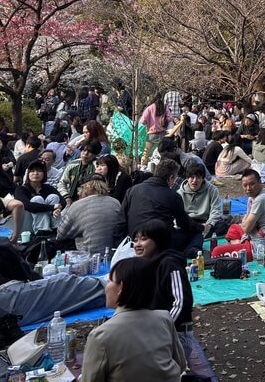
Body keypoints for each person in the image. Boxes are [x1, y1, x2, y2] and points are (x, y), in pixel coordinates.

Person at [0, 212, 105, 329]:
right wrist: (43, 283)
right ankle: (111, 287)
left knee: (62, 298)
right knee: (65, 283)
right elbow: (25, 274)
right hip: (2, 303)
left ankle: (106, 292)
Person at [81, 258, 186, 382]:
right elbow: (180, 364)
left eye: (109, 280)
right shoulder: (164, 318)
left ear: (121, 288)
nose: (106, 286)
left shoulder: (100, 336)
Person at [133, 219, 195, 357]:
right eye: (135, 240)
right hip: (156, 330)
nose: (137, 244)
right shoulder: (147, 264)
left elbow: (181, 302)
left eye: (143, 239)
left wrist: (160, 328)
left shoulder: (170, 263)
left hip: (175, 334)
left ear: (158, 240)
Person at [210, 170, 265, 260]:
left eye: (252, 184)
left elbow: (246, 228)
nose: (248, 188)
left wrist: (246, 223)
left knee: (216, 252)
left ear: (260, 182)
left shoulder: (261, 199)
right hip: (252, 235)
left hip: (259, 246)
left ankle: (238, 244)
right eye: (245, 185)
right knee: (233, 228)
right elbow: (245, 221)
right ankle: (238, 243)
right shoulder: (253, 197)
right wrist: (246, 222)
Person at [121, 159, 192, 248]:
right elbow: (184, 223)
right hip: (160, 243)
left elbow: (121, 221)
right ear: (170, 178)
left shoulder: (132, 190)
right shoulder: (172, 195)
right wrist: (201, 227)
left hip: (134, 240)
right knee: (195, 234)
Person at [56, 176, 124, 254]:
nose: (78, 193)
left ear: (86, 188)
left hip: (89, 257)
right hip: (115, 254)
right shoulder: (116, 203)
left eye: (80, 189)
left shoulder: (77, 205)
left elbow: (60, 234)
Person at [177, 161, 222, 247]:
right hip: (189, 223)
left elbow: (216, 210)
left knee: (222, 226)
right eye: (192, 177)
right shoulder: (179, 193)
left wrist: (209, 224)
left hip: (206, 222)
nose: (194, 181)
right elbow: (178, 216)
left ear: (203, 178)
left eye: (198, 177)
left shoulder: (212, 190)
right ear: (187, 178)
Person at [14, 160, 62, 233]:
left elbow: (62, 201)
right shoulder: (21, 189)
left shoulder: (48, 188)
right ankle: (42, 230)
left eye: (39, 171)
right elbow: (26, 205)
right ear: (28, 174)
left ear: (44, 174)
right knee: (37, 199)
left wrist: (57, 209)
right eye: (32, 171)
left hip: (52, 218)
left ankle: (56, 228)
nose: (35, 173)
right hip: (28, 222)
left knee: (54, 197)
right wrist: (52, 207)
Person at [58, 140, 103, 204]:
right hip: (70, 199)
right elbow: (61, 183)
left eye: (90, 152)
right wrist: (66, 197)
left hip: (90, 201)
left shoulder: (97, 166)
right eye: (84, 150)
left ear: (95, 154)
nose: (85, 154)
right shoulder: (72, 164)